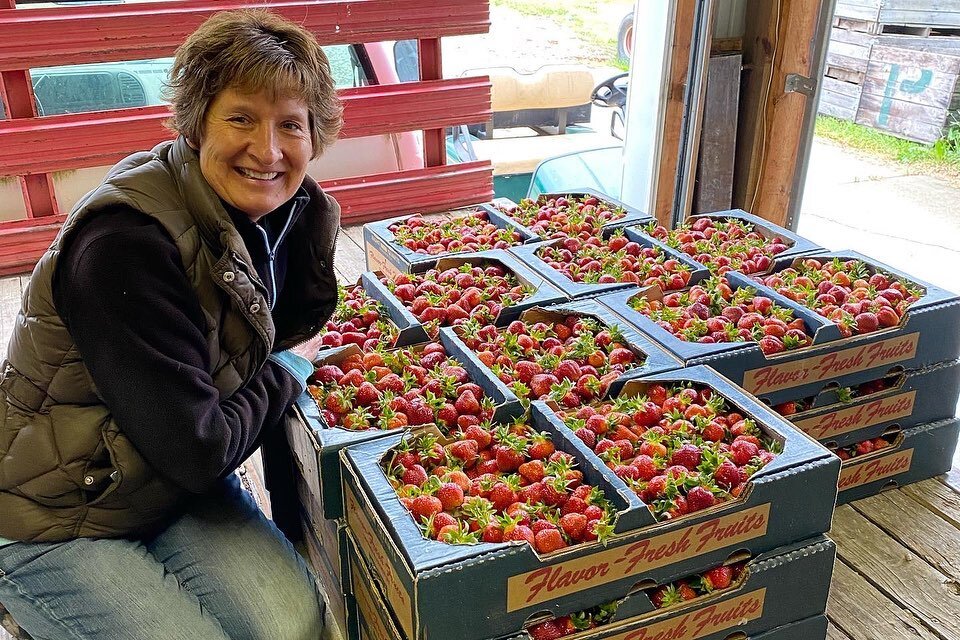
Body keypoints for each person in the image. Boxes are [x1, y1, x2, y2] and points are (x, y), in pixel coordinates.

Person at [0, 9, 342, 640]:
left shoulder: (274, 214)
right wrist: (289, 370)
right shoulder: (126, 245)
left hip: (160, 484)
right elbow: (201, 449)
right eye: (240, 117)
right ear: (194, 124)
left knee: (294, 624)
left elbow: (284, 334)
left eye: (291, 125)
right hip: (53, 512)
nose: (267, 150)